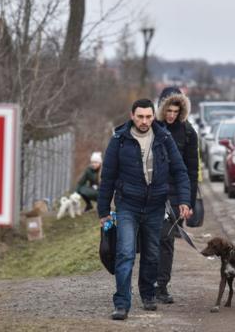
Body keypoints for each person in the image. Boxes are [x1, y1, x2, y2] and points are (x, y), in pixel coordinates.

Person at [97, 98, 192, 321]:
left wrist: (184, 200)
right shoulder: (119, 140)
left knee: (151, 254)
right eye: (140, 116)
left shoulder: (163, 138)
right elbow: (108, 177)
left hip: (156, 206)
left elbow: (179, 171)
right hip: (127, 205)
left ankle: (148, 294)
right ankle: (121, 303)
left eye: (148, 116)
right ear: (132, 116)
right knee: (125, 253)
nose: (144, 121)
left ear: (152, 116)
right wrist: (103, 211)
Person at [155, 87, 199, 304]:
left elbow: (192, 170)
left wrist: (187, 202)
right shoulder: (152, 128)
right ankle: (150, 282)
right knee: (150, 239)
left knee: (166, 239)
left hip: (175, 195)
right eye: (168, 110)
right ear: (161, 108)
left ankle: (161, 286)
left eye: (175, 111)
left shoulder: (189, 132)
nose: (171, 115)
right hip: (152, 192)